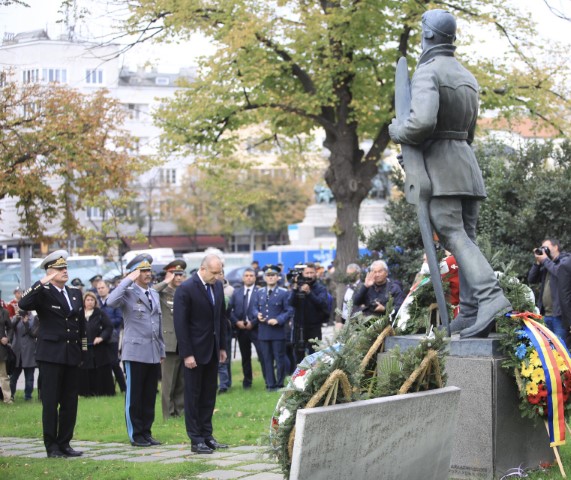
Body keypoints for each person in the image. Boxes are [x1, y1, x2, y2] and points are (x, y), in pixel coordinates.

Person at [388, 8, 511, 338]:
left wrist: (400, 131)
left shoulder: (429, 71)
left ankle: (491, 297)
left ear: (428, 35)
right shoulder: (467, 76)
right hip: (466, 165)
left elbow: (422, 122)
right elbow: (468, 133)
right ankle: (471, 312)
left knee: (453, 234)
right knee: (465, 238)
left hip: (443, 170)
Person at [18, 250, 86, 458]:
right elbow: (23, 304)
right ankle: (52, 446)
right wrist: (41, 282)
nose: (65, 271)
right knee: (50, 402)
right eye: (59, 268)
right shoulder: (43, 293)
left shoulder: (75, 293)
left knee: (69, 402)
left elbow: (80, 325)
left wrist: (82, 351)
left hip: (71, 354)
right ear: (49, 272)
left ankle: (65, 443)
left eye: (65, 268)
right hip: (50, 355)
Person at [107, 254, 165, 448]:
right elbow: (110, 301)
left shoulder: (154, 293)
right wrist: (127, 280)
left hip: (153, 351)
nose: (148, 274)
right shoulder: (128, 292)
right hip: (135, 351)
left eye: (149, 270)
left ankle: (147, 432)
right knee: (135, 396)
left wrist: (162, 349)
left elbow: (157, 323)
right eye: (143, 270)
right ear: (134, 272)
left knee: (149, 395)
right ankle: (136, 434)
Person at [173, 254, 228, 454]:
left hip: (212, 350)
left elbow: (221, 318)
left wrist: (222, 347)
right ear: (203, 269)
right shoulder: (186, 289)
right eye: (214, 272)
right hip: (194, 353)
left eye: (220, 271)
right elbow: (181, 324)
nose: (218, 276)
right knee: (193, 396)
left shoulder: (218, 286)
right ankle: (195, 439)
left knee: (208, 395)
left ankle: (207, 435)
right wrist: (187, 354)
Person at [153, 259, 186, 419]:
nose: (178, 278)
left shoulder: (184, 292)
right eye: (174, 274)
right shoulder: (162, 293)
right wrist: (165, 281)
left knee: (181, 381)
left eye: (180, 274)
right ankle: (168, 414)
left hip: (183, 342)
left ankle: (180, 411)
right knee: (168, 382)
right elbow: (151, 291)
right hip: (169, 343)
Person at [252, 265, 293, 391]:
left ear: (278, 277)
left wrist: (279, 319)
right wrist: (256, 314)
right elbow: (253, 308)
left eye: (273, 275)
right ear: (264, 277)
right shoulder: (259, 292)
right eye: (268, 276)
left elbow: (289, 310)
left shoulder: (283, 292)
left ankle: (279, 383)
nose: (270, 278)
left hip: (277, 331)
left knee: (279, 358)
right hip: (263, 331)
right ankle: (270, 384)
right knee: (266, 359)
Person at [528, 238, 570, 341]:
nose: (543, 250)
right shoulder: (547, 264)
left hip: (559, 316)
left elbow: (559, 272)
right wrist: (538, 262)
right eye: (542, 248)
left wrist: (545, 260)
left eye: (546, 247)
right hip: (545, 315)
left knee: (561, 349)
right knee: (548, 350)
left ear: (555, 247)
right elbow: (531, 279)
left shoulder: (565, 261)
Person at [229, 268, 265, 389]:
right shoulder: (237, 292)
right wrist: (236, 322)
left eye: (251, 275)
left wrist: (253, 322)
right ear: (243, 278)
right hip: (241, 330)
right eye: (246, 275)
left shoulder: (260, 292)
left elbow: (263, 310)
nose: (249, 277)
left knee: (262, 355)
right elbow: (230, 310)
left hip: (256, 329)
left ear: (254, 278)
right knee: (245, 357)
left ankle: (268, 380)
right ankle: (247, 382)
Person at [289, 262, 330, 358]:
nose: (309, 275)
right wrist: (295, 288)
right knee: (298, 358)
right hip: (299, 327)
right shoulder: (297, 287)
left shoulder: (321, 288)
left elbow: (322, 304)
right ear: (302, 274)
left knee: (314, 357)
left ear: (316, 273)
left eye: (312, 273)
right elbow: (291, 303)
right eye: (307, 273)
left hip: (314, 327)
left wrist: (309, 293)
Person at [79, 291, 115, 397]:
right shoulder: (80, 314)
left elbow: (109, 327)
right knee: (85, 364)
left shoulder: (100, 313)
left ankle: (103, 391)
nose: (90, 302)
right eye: (88, 300)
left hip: (99, 345)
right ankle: (86, 392)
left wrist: (101, 337)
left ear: (95, 301)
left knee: (100, 366)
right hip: (85, 343)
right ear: (84, 301)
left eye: (92, 300)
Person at [95, 280, 126, 393]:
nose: (100, 290)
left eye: (102, 287)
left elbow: (119, 319)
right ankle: (108, 389)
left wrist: (105, 323)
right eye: (98, 288)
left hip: (112, 336)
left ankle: (123, 387)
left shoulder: (114, 302)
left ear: (108, 288)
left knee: (114, 362)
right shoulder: (97, 303)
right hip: (100, 337)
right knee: (104, 363)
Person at [9, 310, 37, 401]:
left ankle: (28, 396)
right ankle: (11, 394)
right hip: (17, 350)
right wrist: (16, 319)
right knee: (13, 376)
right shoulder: (15, 317)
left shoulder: (33, 318)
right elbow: (10, 328)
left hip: (29, 351)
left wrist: (26, 323)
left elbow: (34, 334)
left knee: (29, 377)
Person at [217, 268, 234, 393]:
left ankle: (225, 383)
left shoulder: (229, 291)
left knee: (224, 356)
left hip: (224, 328)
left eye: (220, 273)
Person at [336, 263, 362, 329]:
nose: (349, 276)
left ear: (358, 274)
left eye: (351, 274)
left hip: (357, 323)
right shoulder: (346, 287)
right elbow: (342, 304)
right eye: (348, 273)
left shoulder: (362, 287)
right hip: (344, 321)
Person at [0, 302, 13, 404]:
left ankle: (7, 399)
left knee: (3, 375)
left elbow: (10, 327)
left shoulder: (4, 312)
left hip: (1, 349)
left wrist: (7, 338)